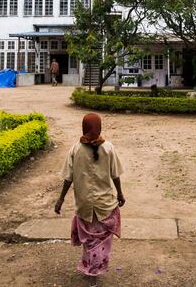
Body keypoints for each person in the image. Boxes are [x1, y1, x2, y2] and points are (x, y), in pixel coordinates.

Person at [55, 113, 125, 281]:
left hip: (84, 205)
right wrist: (120, 193)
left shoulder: (75, 149)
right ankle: (94, 270)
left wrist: (61, 199)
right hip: (105, 205)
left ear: (84, 128)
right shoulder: (108, 148)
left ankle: (90, 267)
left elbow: (68, 178)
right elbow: (116, 175)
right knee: (100, 239)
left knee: (90, 241)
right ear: (99, 128)